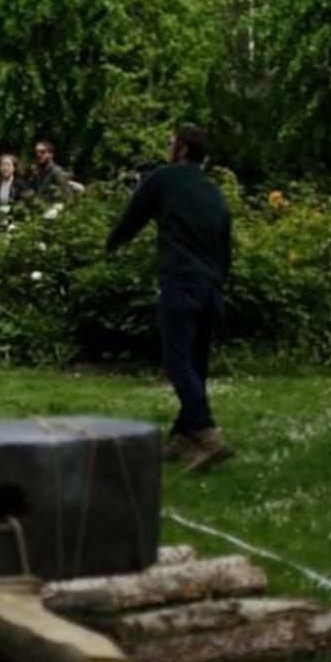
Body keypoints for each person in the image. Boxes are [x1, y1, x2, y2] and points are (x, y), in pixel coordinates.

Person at [106, 124, 234, 473]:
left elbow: (133, 216)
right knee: (196, 362)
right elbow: (225, 247)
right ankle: (181, 438)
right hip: (210, 287)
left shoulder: (165, 178)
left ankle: (207, 434)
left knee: (177, 362)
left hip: (181, 281)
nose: (167, 147)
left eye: (170, 142)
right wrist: (218, 285)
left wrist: (111, 246)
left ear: (181, 150)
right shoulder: (213, 191)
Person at [0, 154, 32, 237]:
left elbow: (24, 204)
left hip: (15, 221)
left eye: (8, 165)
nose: (5, 168)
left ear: (14, 168)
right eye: (3, 165)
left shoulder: (20, 184)